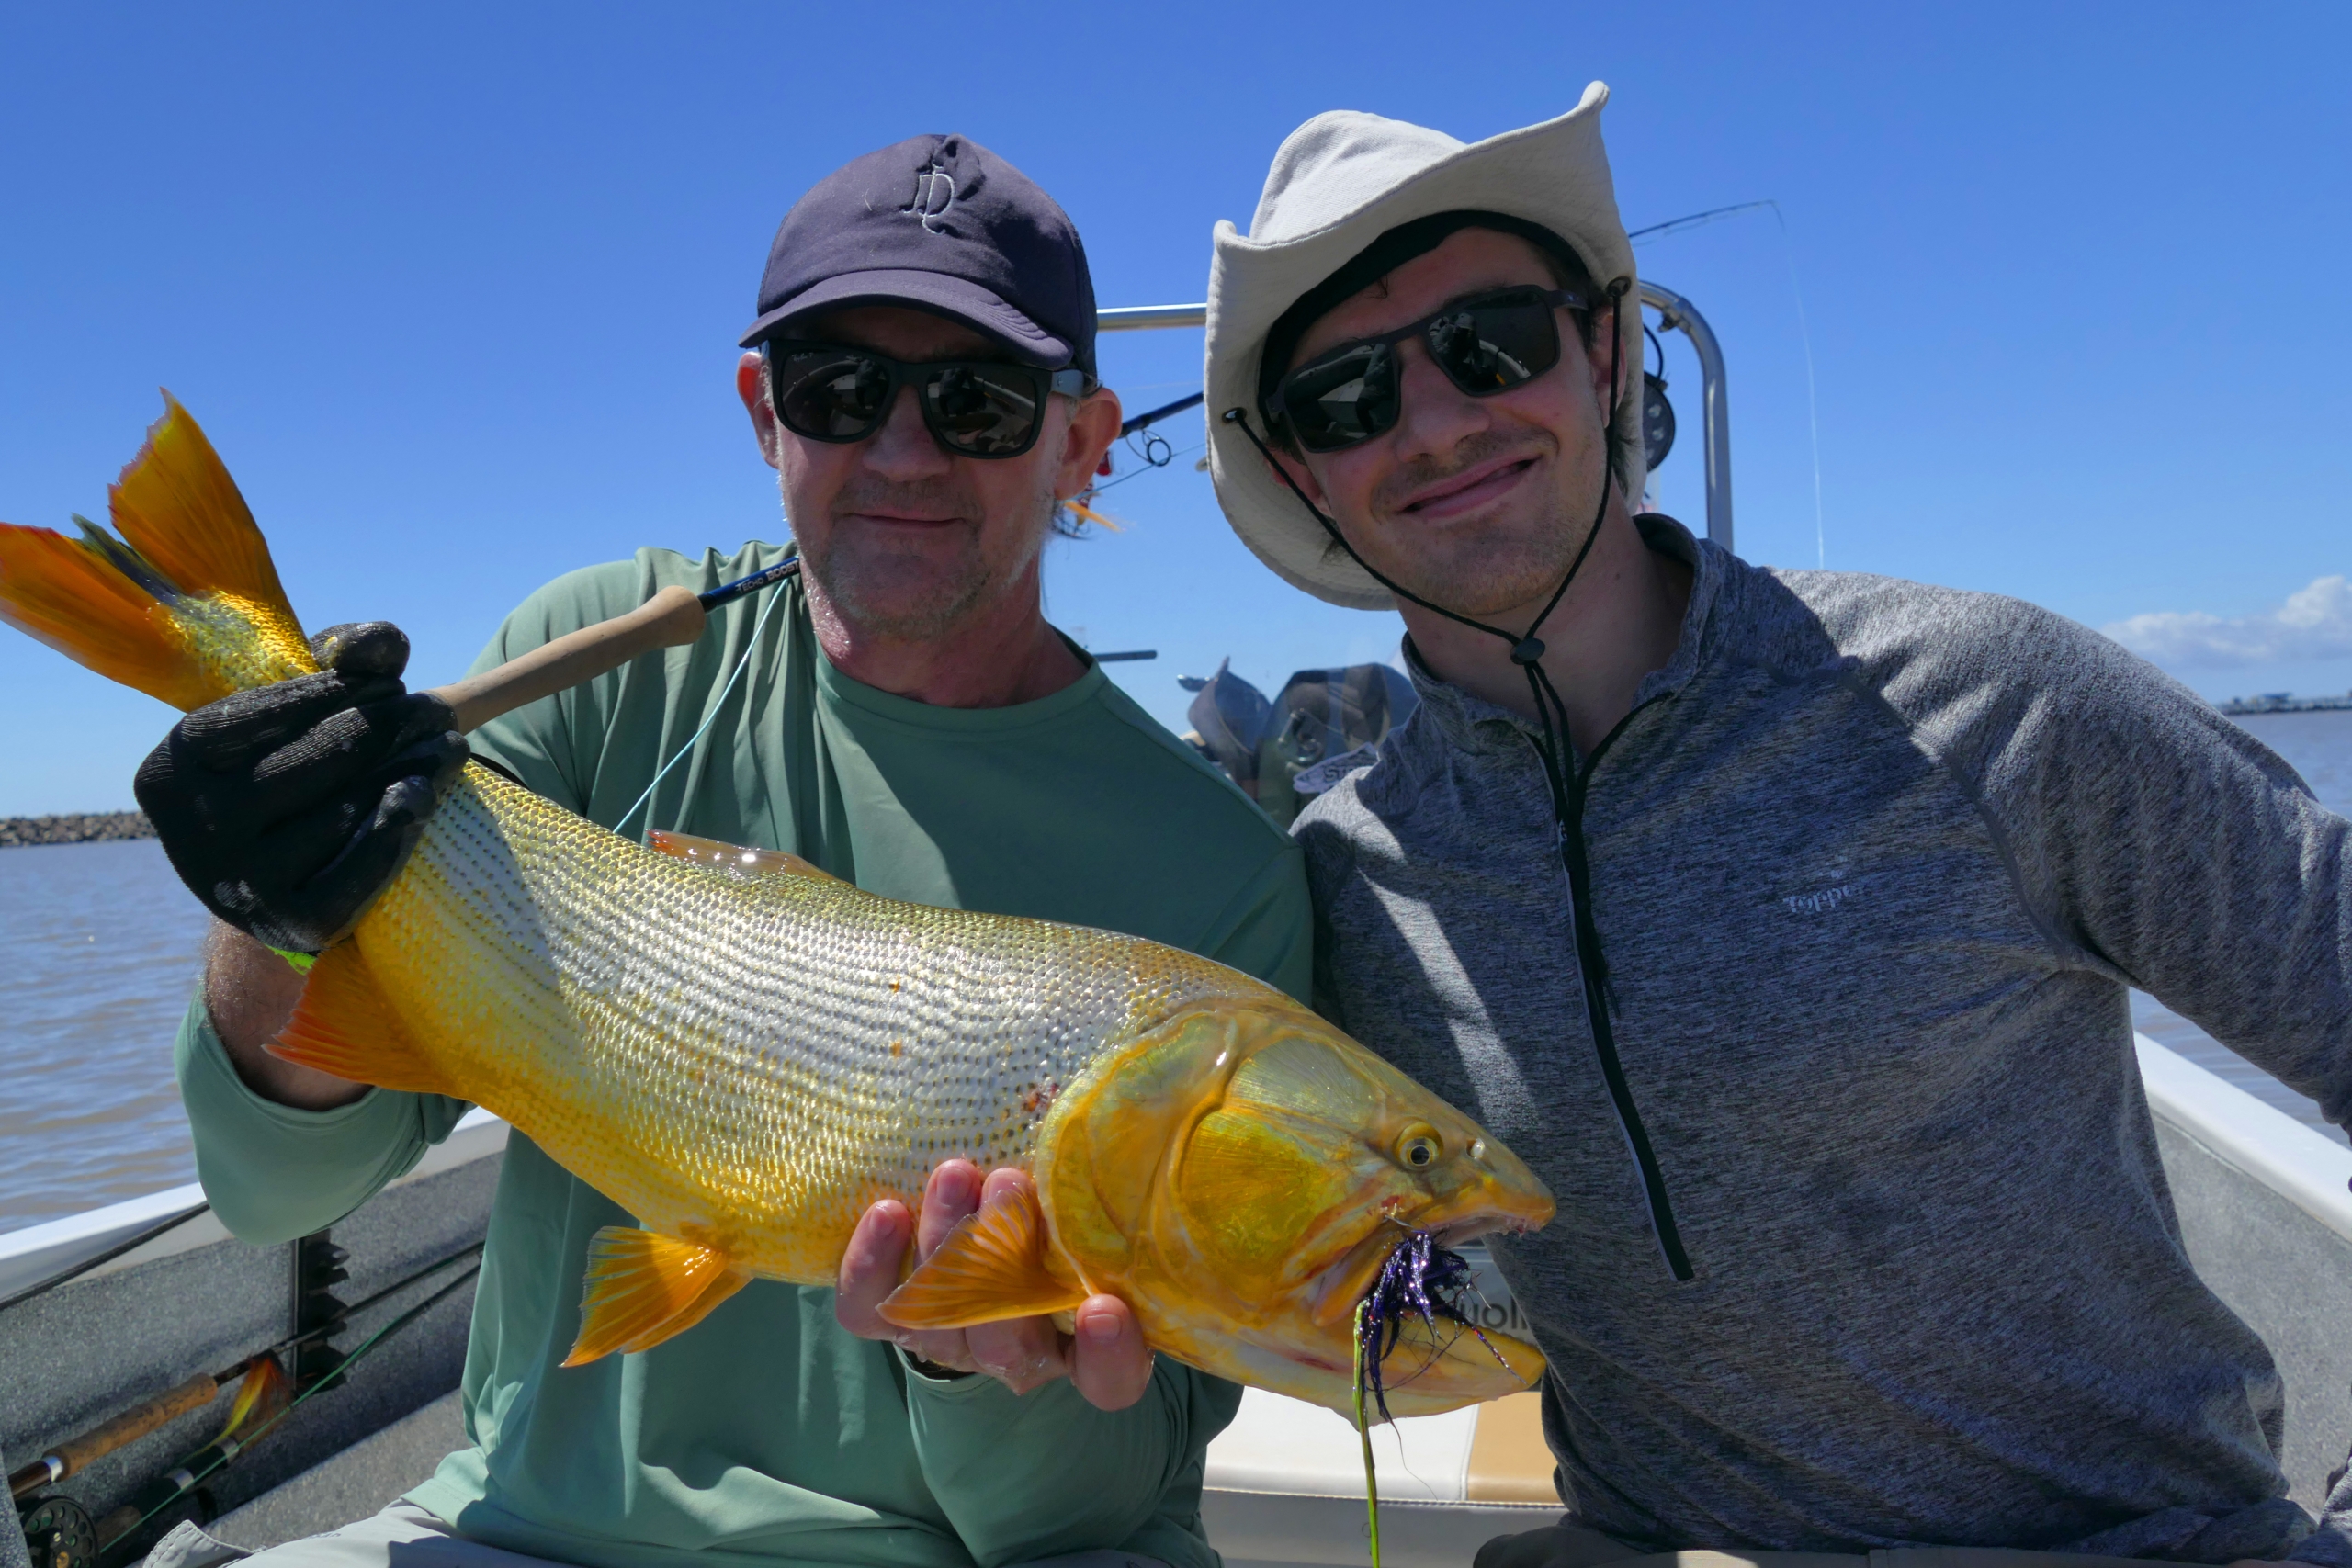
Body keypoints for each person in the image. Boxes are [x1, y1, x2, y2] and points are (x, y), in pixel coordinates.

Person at [1200, 86, 2352, 1568]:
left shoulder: (1990, 700)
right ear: (1304, 470)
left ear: (1603, 349)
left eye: (1492, 340)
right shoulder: (1345, 884)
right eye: (1346, 398)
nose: (1433, 420)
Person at [140, 132, 1306, 1568]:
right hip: (523, 1535)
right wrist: (275, 904)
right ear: (765, 413)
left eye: (979, 401)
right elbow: (277, 1195)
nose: (902, 451)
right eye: (839, 389)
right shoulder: (600, 663)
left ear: (1080, 441)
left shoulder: (1219, 872)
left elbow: (1090, 1519)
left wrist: (969, 1356)